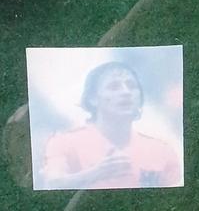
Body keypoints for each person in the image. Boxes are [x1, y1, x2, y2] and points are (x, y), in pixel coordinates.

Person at [42, 62, 181, 190]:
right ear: (93, 99)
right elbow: (53, 184)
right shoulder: (64, 143)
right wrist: (96, 173)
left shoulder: (162, 151)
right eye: (114, 87)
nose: (126, 92)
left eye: (132, 86)